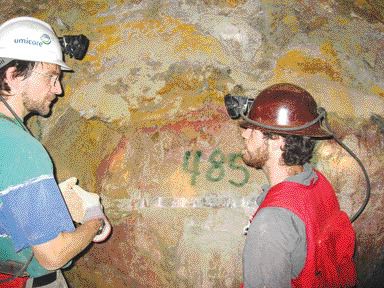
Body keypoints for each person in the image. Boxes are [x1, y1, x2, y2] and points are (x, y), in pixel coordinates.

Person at [0, 17, 111, 287]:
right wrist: (94, 220)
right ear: (13, 75)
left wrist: (51, 199)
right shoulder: (21, 147)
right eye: (51, 76)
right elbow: (53, 255)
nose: (58, 89)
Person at [237, 83, 356, 287]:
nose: (244, 134)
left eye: (252, 129)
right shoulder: (317, 182)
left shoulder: (270, 224)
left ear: (278, 140)